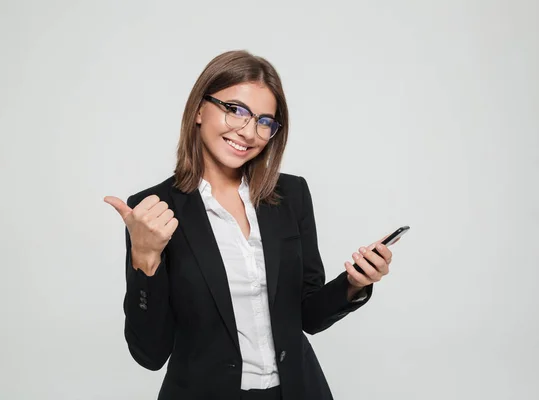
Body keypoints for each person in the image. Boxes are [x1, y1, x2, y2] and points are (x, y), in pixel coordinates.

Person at [104, 50, 395, 400]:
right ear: (199, 109)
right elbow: (149, 354)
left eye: (264, 121)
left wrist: (353, 284)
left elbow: (307, 315)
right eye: (236, 110)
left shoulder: (291, 194)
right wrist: (146, 259)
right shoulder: (153, 211)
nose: (248, 132)